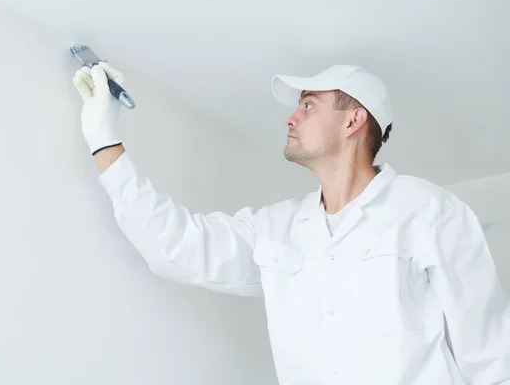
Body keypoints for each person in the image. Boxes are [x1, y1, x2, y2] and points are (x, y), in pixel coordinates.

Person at [71, 63, 510, 384]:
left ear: (354, 120)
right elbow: (177, 248)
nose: (291, 117)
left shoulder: (431, 212)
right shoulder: (277, 228)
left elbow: (489, 355)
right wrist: (104, 140)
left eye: (308, 105)